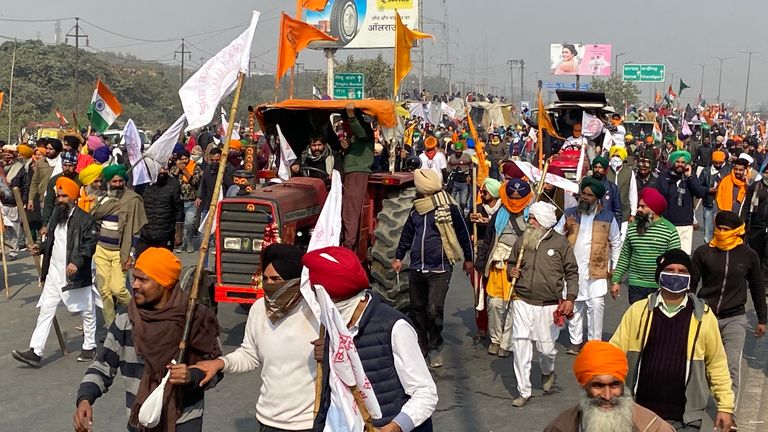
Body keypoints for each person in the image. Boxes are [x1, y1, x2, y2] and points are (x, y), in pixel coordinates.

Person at [74, 247, 221, 432]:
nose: (134, 285)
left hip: (185, 419)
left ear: (165, 284)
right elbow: (103, 365)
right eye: (134, 278)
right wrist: (85, 399)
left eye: (143, 280)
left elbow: (216, 368)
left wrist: (192, 376)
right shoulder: (126, 320)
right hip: (141, 420)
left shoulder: (196, 319)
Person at [306, 246, 438, 432]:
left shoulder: (395, 327)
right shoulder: (332, 325)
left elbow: (425, 394)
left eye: (318, 297)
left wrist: (395, 427)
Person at [192, 244, 321, 431]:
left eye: (277, 279)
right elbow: (249, 354)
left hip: (309, 423)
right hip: (267, 420)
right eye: (266, 279)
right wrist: (220, 363)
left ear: (296, 280)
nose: (270, 285)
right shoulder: (259, 308)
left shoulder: (318, 312)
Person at [610, 249, 735, 432]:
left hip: (686, 419)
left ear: (690, 277)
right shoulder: (638, 311)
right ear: (659, 275)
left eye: (682, 271)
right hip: (639, 414)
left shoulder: (704, 317)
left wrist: (725, 407)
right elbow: (614, 353)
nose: (676, 275)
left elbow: (717, 364)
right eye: (670, 269)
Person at [11, 177, 97, 367]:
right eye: (58, 196)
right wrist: (40, 248)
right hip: (53, 274)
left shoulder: (86, 220)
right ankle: (35, 351)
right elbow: (53, 242)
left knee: (87, 310)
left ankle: (89, 346)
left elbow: (89, 244)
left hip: (74, 275)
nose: (60, 199)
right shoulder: (56, 218)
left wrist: (76, 262)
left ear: (73, 198)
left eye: (64, 196)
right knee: (46, 310)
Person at [393, 169, 473, 367]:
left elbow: (463, 232)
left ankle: (436, 345)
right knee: (417, 309)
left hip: (440, 268)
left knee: (434, 309)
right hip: (417, 267)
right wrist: (398, 256)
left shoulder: (448, 208)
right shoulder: (415, 210)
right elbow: (407, 234)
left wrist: (468, 259)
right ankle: (423, 346)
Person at [691, 211, 766, 407]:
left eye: (727, 230)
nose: (722, 233)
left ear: (736, 232)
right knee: (701, 364)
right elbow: (691, 284)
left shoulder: (748, 256)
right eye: (719, 229)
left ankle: (727, 411)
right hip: (705, 317)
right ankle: (695, 406)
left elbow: (757, 287)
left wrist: (762, 319)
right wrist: (689, 310)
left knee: (731, 364)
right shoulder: (703, 252)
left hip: (735, 319)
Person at [507, 201, 578, 407]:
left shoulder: (561, 243)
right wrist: (511, 271)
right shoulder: (522, 241)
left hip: (548, 304)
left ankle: (547, 371)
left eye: (533, 219)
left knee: (546, 349)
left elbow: (572, 272)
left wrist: (571, 298)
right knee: (520, 344)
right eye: (529, 218)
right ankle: (524, 391)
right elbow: (512, 264)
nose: (529, 222)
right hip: (522, 300)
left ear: (545, 222)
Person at [543, 340, 674, 432]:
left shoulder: (652, 428)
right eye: (598, 386)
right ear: (584, 386)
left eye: (614, 385)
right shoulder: (561, 427)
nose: (607, 396)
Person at [556, 177, 621, 354]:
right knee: (575, 304)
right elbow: (554, 238)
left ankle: (594, 342)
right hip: (572, 269)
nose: (584, 197)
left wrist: (614, 268)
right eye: (583, 194)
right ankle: (576, 342)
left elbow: (616, 242)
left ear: (597, 198)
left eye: (589, 195)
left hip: (597, 269)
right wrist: (564, 229)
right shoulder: (570, 213)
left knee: (596, 305)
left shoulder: (608, 217)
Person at [474, 178, 531, 358]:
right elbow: (489, 240)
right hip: (497, 265)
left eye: (518, 198)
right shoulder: (500, 214)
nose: (514, 201)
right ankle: (495, 340)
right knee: (494, 304)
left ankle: (506, 343)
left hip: (519, 266)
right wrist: (480, 262)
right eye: (511, 197)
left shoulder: (532, 216)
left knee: (514, 307)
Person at [90, 164, 148, 327]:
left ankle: (139, 312)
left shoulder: (132, 200)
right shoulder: (102, 198)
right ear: (108, 182)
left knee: (118, 289)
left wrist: (131, 254)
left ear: (124, 181)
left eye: (120, 181)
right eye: (114, 181)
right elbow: (93, 217)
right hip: (101, 249)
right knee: (104, 291)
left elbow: (136, 231)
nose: (117, 184)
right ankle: (111, 326)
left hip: (120, 252)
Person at [611, 187, 680, 304]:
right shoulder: (633, 228)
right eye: (639, 205)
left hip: (659, 285)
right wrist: (615, 280)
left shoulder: (670, 230)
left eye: (643, 206)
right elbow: (625, 256)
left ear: (653, 209)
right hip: (635, 285)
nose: (638, 209)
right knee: (638, 320)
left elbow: (676, 260)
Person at [653, 150, 707, 254]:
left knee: (683, 256)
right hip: (666, 223)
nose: (680, 165)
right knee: (665, 255)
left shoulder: (690, 177)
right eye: (677, 162)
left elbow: (700, 193)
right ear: (672, 163)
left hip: (685, 223)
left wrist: (690, 177)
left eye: (683, 162)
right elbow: (657, 198)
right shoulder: (663, 178)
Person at [136, 163, 184, 257]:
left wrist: (179, 234)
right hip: (145, 234)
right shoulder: (142, 184)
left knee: (161, 266)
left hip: (165, 235)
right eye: (159, 168)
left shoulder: (173, 184)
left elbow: (179, 210)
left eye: (164, 168)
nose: (162, 171)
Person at [169, 150, 203, 253]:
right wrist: (177, 170)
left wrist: (184, 170)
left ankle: (190, 241)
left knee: (189, 223)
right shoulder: (175, 168)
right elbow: (171, 181)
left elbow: (194, 182)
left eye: (186, 159)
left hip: (191, 200)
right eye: (182, 159)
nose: (184, 161)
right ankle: (179, 243)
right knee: (178, 224)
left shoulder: (196, 168)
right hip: (178, 201)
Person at [41, 150, 79, 229]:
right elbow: (49, 202)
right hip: (58, 214)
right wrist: (45, 224)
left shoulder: (79, 180)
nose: (67, 168)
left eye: (70, 165)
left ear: (75, 166)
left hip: (76, 217)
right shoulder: (55, 180)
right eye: (65, 165)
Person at [606, 146, 637, 239]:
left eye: (618, 156)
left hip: (624, 212)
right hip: (607, 211)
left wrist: (633, 213)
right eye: (614, 155)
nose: (616, 158)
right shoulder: (606, 170)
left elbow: (632, 192)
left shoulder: (629, 172)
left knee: (621, 239)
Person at [27, 138, 62, 216]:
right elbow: (34, 182)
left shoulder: (63, 163)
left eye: (51, 149)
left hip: (58, 201)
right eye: (47, 148)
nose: (48, 151)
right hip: (43, 200)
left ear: (57, 150)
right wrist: (30, 199)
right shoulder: (40, 163)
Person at [699, 150, 727, 243]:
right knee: (708, 231)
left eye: (720, 163)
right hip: (709, 204)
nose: (718, 165)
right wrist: (708, 190)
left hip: (722, 205)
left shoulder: (728, 171)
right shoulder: (706, 171)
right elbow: (699, 186)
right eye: (716, 163)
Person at [590, 156, 622, 224]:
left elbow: (617, 212)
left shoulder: (612, 187)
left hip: (606, 224)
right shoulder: (587, 185)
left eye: (600, 167)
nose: (597, 170)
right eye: (595, 167)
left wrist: (617, 229)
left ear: (605, 170)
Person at [446, 141, 472, 211]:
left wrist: (470, 177)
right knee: (451, 201)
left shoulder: (467, 157)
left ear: (462, 149)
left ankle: (462, 213)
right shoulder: (451, 157)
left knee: (463, 202)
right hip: (454, 181)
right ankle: (453, 213)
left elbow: (471, 167)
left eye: (459, 149)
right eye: (457, 149)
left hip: (464, 181)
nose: (458, 151)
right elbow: (448, 169)